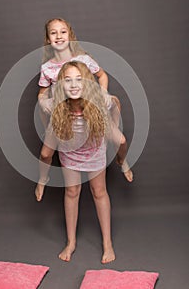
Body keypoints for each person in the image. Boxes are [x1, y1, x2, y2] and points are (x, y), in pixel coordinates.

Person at [35, 18, 133, 202]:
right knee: (46, 153)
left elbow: (101, 75)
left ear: (69, 35)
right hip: (65, 116)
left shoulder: (83, 59)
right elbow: (42, 92)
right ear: (48, 39)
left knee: (121, 140)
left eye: (63, 32)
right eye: (53, 33)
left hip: (90, 112)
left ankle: (122, 161)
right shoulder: (47, 68)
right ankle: (43, 177)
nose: (59, 36)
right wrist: (43, 101)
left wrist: (103, 92)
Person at [38, 61, 120, 263]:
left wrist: (115, 131)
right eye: (67, 80)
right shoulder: (56, 107)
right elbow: (45, 152)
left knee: (99, 192)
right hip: (70, 154)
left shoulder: (99, 101)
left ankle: (107, 244)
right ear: (60, 86)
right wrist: (42, 178)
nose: (74, 85)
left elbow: (116, 102)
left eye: (79, 79)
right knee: (72, 192)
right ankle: (71, 242)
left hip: (94, 153)